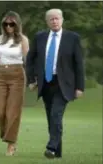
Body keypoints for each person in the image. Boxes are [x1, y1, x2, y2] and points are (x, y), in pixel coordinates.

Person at [26, 9, 85, 159]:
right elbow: (30, 59)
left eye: (57, 18)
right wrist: (31, 80)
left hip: (64, 84)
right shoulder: (39, 37)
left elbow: (79, 64)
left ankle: (51, 148)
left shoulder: (72, 38)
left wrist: (79, 87)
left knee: (55, 115)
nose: (54, 21)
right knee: (51, 118)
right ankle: (57, 153)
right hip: (46, 83)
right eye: (51, 19)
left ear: (62, 20)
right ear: (47, 22)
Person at [0, 11, 29, 156]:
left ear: (17, 25)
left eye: (12, 24)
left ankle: (11, 144)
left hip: (17, 75)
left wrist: (32, 80)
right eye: (6, 24)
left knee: (13, 112)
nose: (9, 27)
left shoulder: (23, 40)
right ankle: (9, 135)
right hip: (1, 75)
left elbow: (27, 61)